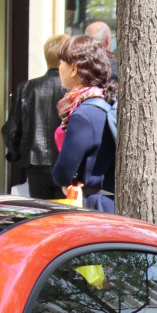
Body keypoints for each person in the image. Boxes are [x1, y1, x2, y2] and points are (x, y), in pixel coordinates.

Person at [52, 35, 117, 212]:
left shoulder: (83, 114)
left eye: (60, 63)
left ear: (73, 68)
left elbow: (63, 173)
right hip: (114, 202)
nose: (59, 68)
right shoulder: (107, 100)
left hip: (96, 206)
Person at [3, 34, 69, 199]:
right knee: (66, 219)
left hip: (35, 165)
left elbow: (12, 130)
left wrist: (18, 157)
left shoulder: (26, 88)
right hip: (66, 166)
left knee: (41, 218)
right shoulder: (75, 91)